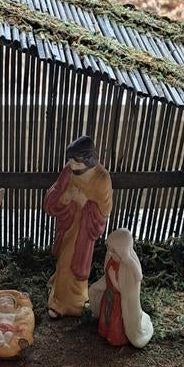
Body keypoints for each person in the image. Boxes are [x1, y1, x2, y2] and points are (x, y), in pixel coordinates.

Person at [44, 135, 113, 318]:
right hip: (68, 224)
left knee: (72, 262)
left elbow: (104, 210)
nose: (71, 165)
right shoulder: (69, 171)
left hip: (84, 230)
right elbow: (55, 192)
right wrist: (66, 197)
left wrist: (85, 203)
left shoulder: (102, 178)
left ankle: (65, 304)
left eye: (76, 162)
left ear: (88, 160)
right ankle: (59, 291)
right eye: (70, 160)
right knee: (63, 259)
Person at [89, 229, 154, 348]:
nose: (110, 253)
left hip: (119, 303)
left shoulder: (128, 268)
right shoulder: (111, 258)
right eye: (109, 249)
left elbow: (127, 290)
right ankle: (104, 330)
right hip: (109, 295)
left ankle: (116, 337)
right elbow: (106, 278)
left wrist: (113, 279)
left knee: (115, 322)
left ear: (122, 251)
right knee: (106, 317)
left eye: (114, 251)